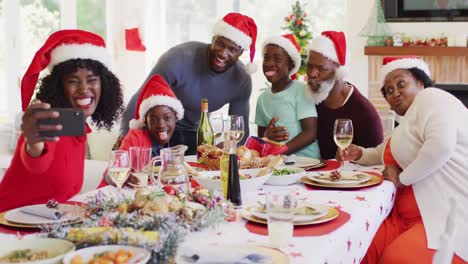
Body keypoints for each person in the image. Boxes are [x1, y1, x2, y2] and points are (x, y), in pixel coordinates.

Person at [337, 56, 468, 263]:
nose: (395, 92)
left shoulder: (432, 97)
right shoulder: (406, 126)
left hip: (441, 216)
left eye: (401, 84)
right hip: (401, 217)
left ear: (420, 83)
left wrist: (402, 178)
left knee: (395, 259)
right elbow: (384, 152)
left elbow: (441, 146)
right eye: (389, 90)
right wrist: (359, 153)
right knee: (358, 247)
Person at [0, 30, 124, 212]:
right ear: (58, 87)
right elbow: (36, 161)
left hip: (47, 224)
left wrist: (109, 180)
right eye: (73, 81)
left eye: (92, 80)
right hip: (9, 226)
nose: (84, 89)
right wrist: (34, 144)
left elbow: (65, 196)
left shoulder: (76, 125)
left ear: (104, 85)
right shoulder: (47, 121)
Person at [119, 12, 257, 155]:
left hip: (195, 133)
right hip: (157, 130)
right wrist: (123, 139)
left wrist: (229, 147)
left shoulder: (241, 80)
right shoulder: (178, 58)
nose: (223, 53)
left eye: (232, 49)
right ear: (213, 39)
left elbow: (240, 129)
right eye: (220, 44)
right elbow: (140, 99)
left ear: (241, 52)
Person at [264, 31, 383, 159]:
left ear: (339, 72)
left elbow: (377, 162)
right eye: (310, 66)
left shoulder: (364, 114)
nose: (313, 74)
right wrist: (268, 135)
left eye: (322, 68)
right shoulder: (305, 97)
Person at [100, 74, 184, 188]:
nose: (161, 125)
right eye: (153, 120)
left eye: (167, 118)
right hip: (126, 195)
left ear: (176, 118)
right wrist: (124, 177)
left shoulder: (177, 140)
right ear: (145, 121)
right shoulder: (135, 138)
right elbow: (110, 174)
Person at [255, 34, 320, 158]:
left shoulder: (302, 90)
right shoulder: (262, 99)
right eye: (266, 58)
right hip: (278, 164)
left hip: (306, 163)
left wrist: (280, 152)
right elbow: (261, 139)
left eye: (277, 59)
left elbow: (310, 133)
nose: (269, 63)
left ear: (290, 65)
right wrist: (267, 136)